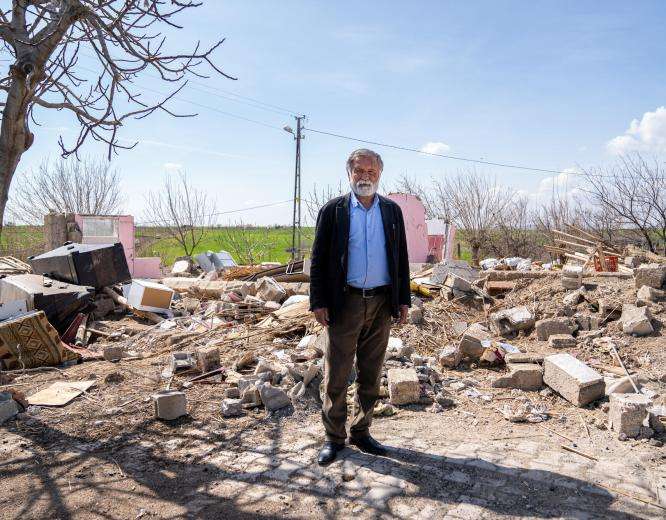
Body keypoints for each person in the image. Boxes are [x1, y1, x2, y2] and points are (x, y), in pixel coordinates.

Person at [309, 148, 411, 466]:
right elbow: (318, 260)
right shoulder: (333, 211)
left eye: (371, 172)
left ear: (379, 174)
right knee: (337, 373)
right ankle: (334, 438)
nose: (365, 177)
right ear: (349, 173)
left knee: (371, 372)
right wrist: (318, 301)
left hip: (381, 303)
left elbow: (401, 258)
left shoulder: (392, 212)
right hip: (345, 302)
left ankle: (362, 431)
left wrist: (403, 299)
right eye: (359, 171)